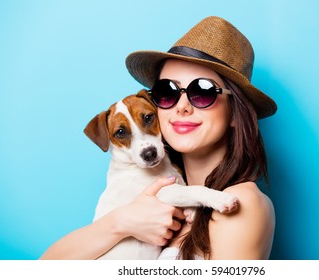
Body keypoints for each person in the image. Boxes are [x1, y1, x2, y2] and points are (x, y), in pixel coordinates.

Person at [41, 16, 277, 260]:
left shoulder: (240, 202)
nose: (182, 107)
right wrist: (120, 223)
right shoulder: (148, 203)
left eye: (203, 91)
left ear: (235, 113)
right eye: (167, 92)